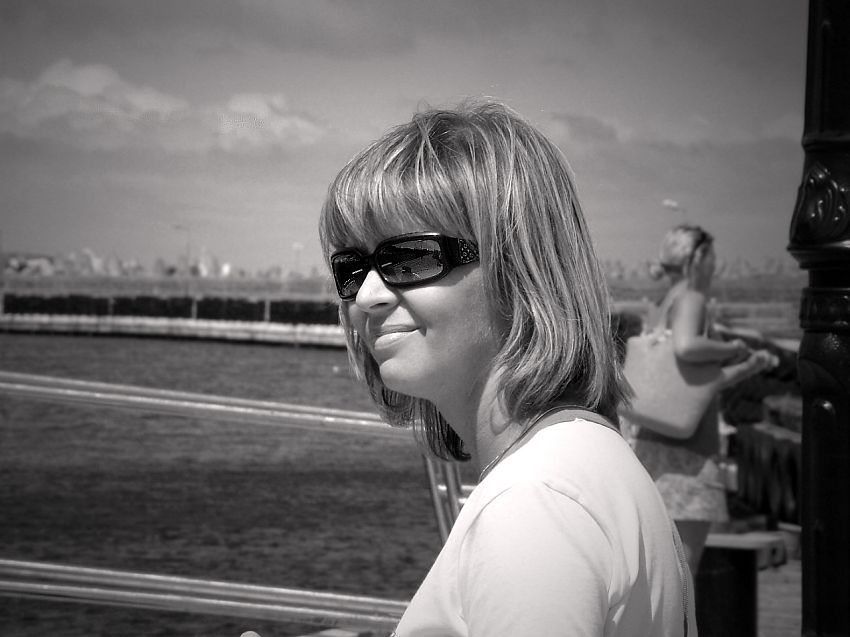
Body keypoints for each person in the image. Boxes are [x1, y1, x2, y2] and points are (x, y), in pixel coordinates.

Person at [308, 99, 697, 637]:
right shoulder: (583, 464)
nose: (367, 295)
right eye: (352, 268)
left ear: (517, 268)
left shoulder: (534, 506)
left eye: (411, 257)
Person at [628, 224, 777, 576]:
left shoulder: (658, 308)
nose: (716, 264)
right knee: (682, 576)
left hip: (649, 450)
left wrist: (748, 367)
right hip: (690, 459)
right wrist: (732, 348)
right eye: (712, 256)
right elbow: (687, 347)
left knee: (657, 575)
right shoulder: (692, 300)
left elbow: (690, 389)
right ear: (698, 258)